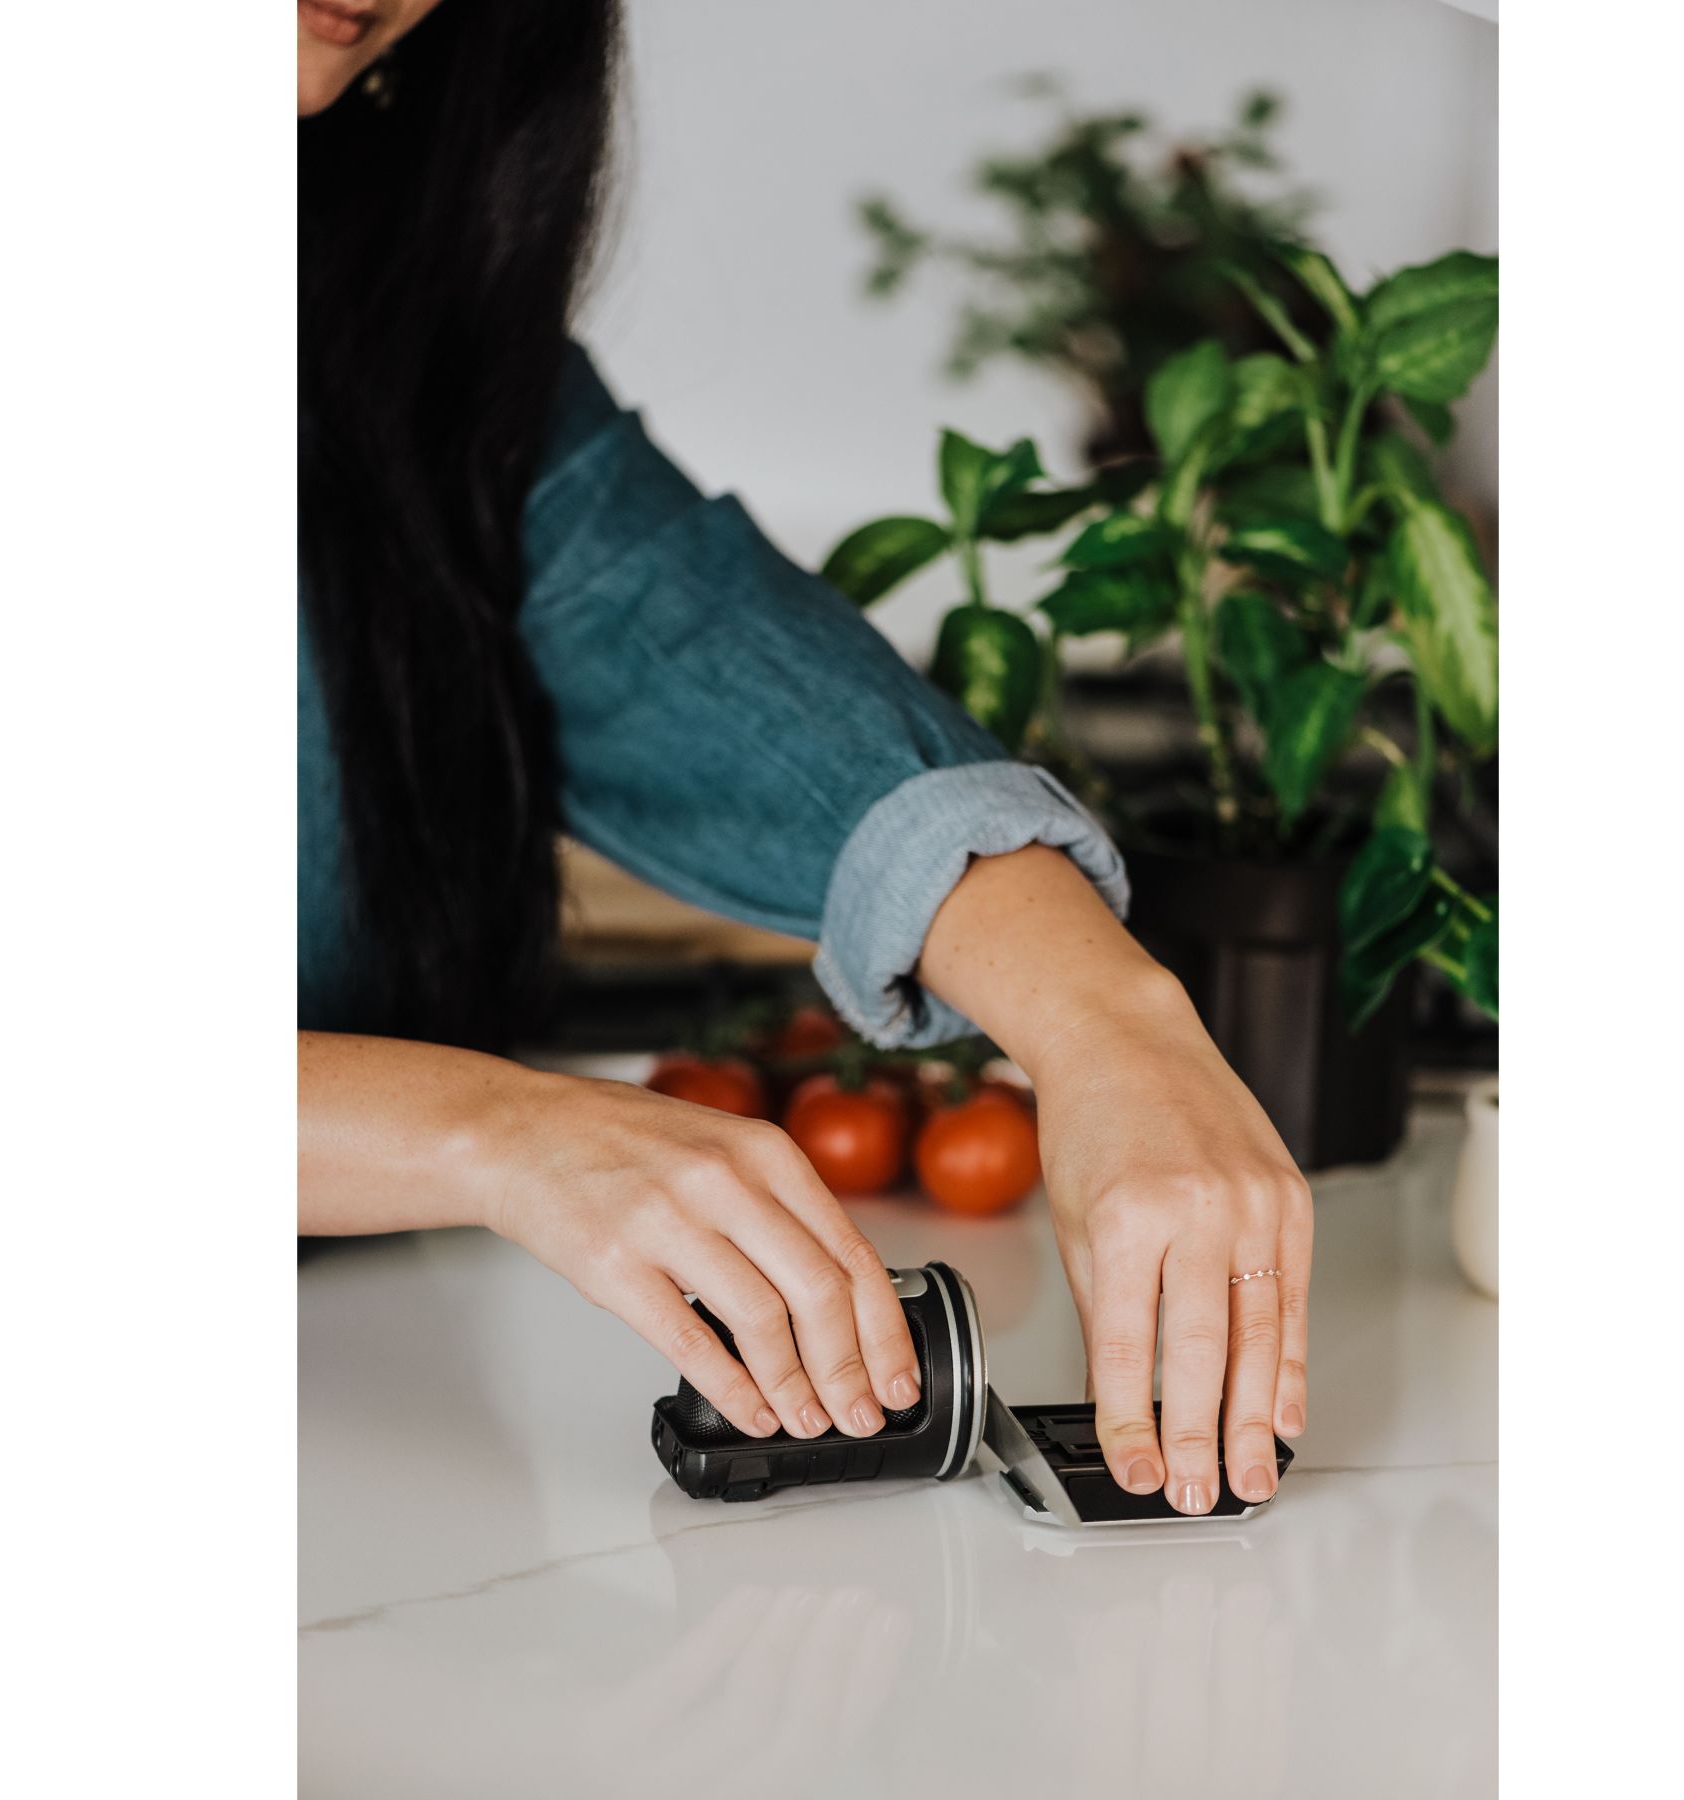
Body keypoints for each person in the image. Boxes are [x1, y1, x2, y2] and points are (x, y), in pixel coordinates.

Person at [296, 0, 1312, 1517]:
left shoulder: (398, 316)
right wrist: (490, 1132)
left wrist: (1114, 1023)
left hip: (360, 1425)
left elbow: (701, 650)